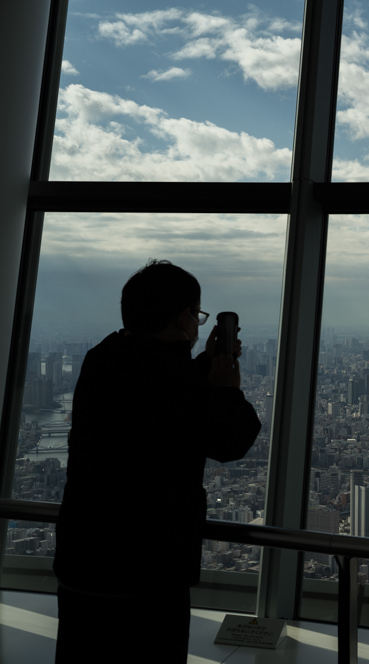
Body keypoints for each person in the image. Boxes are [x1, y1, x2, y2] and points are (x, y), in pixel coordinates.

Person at [53, 260, 261, 663]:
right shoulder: (177, 378)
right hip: (149, 570)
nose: (198, 325)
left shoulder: (101, 358)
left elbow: (157, 393)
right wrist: (224, 387)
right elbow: (233, 440)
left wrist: (202, 364)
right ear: (184, 317)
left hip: (83, 561)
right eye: (197, 315)